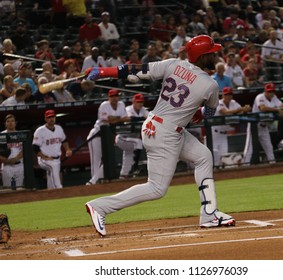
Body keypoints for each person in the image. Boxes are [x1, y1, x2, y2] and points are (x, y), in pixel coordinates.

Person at [84, 35, 236, 236]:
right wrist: (198, 112)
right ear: (203, 57)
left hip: (158, 125)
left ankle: (209, 214)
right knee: (156, 188)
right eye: (212, 52)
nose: (215, 55)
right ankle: (101, 207)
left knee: (203, 156)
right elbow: (208, 113)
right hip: (166, 134)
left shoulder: (173, 64)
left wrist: (103, 72)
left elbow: (136, 70)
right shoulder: (210, 85)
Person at [86, 89, 131, 185]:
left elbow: (126, 118)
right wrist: (119, 119)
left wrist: (114, 119)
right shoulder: (104, 105)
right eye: (112, 96)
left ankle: (96, 180)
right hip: (97, 134)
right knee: (96, 160)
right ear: (108, 97)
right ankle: (93, 182)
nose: (114, 98)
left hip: (108, 135)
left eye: (116, 96)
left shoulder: (121, 104)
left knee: (107, 159)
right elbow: (108, 120)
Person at [243, 83, 283, 165]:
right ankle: (245, 166)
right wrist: (277, 110)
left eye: (272, 91)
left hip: (264, 126)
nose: (271, 93)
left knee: (269, 147)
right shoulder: (260, 97)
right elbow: (262, 108)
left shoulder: (274, 97)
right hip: (255, 125)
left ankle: (273, 165)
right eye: (269, 91)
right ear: (265, 91)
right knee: (249, 148)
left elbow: (282, 105)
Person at [211, 87, 251, 168]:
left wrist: (245, 109)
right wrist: (240, 109)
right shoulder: (218, 102)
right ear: (223, 95)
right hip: (214, 134)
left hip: (224, 134)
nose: (228, 96)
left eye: (230, 94)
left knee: (224, 156)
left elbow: (241, 110)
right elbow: (224, 112)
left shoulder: (233, 103)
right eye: (226, 95)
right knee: (214, 156)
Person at [32, 110, 72, 189]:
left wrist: (67, 149)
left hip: (57, 158)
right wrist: (44, 157)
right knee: (53, 167)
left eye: (53, 117)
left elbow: (64, 140)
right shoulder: (40, 131)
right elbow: (35, 147)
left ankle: (50, 192)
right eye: (49, 117)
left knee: (51, 174)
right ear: (45, 119)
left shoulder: (59, 128)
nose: (51, 119)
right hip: (44, 160)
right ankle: (58, 187)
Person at [115, 93, 149, 179]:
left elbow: (151, 117)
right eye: (138, 102)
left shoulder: (143, 110)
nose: (140, 104)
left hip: (131, 139)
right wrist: (144, 118)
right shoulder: (128, 109)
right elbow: (132, 118)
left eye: (141, 102)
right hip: (122, 138)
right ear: (133, 102)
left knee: (128, 155)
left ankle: (123, 175)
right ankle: (135, 167)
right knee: (138, 142)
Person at [0, 114, 24, 188]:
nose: (10, 123)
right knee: (8, 189)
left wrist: (16, 159)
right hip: (7, 166)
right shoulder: (1, 136)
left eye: (12, 121)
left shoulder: (21, 135)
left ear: (15, 123)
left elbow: (24, 150)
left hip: (19, 165)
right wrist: (6, 160)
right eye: (8, 121)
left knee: (19, 187)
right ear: (5, 124)